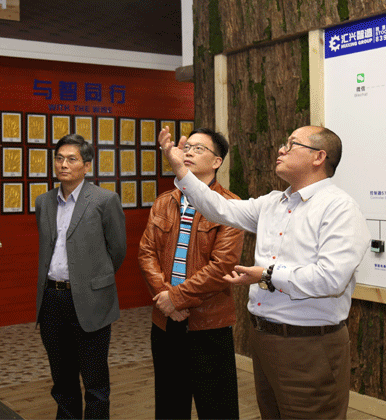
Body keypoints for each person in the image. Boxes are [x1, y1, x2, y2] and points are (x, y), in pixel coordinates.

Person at [159, 125, 371, 419]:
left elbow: (331, 278)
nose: (281, 149)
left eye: (292, 144)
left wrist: (267, 275)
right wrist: (181, 170)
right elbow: (218, 208)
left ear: (319, 157)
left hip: (309, 344)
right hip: (264, 338)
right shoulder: (273, 202)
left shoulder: (339, 208)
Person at [138, 128, 244, 419]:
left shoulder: (230, 206)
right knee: (170, 406)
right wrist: (166, 298)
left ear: (217, 162)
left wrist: (176, 298)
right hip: (165, 322)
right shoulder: (164, 202)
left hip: (209, 323)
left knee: (217, 409)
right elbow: (146, 253)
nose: (189, 152)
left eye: (199, 148)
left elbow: (222, 266)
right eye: (187, 147)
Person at [35, 134, 127, 419]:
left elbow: (117, 250)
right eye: (59, 158)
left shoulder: (104, 200)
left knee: (95, 381)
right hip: (52, 299)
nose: (63, 164)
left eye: (71, 159)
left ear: (87, 166)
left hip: (90, 299)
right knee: (62, 380)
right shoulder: (44, 202)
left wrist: (94, 280)